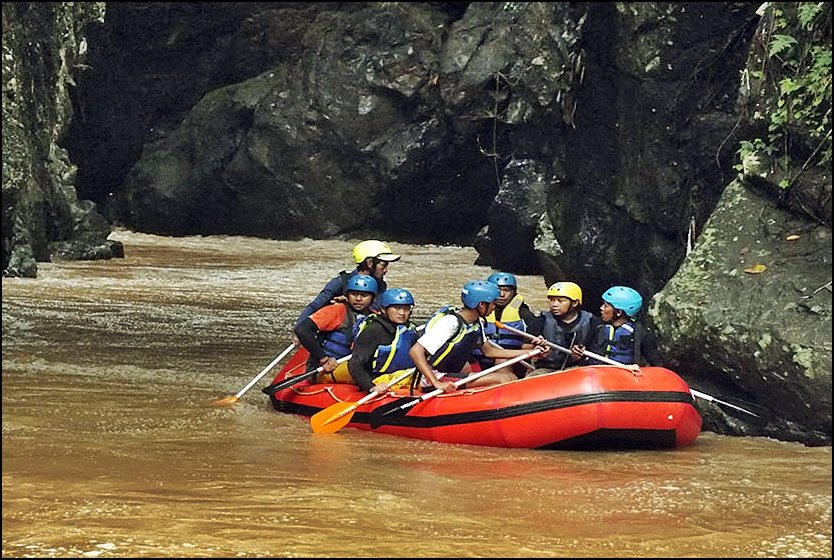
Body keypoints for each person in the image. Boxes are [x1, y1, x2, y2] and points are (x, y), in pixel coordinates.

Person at [409, 280, 550, 393]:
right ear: (482, 305)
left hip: (452, 372)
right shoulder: (450, 322)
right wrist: (437, 383)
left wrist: (532, 352)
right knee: (504, 379)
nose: (495, 306)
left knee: (509, 377)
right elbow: (416, 351)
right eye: (493, 303)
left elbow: (491, 351)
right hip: (436, 377)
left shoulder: (475, 323)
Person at [295, 240, 400, 328]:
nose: (386, 270)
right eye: (383, 265)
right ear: (370, 264)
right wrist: (299, 328)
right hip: (339, 328)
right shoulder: (342, 281)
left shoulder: (381, 285)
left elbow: (374, 310)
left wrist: (349, 302)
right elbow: (315, 305)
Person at [294, 275, 378, 384]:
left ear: (373, 298)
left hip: (356, 367)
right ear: (347, 295)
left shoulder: (375, 317)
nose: (358, 299)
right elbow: (302, 330)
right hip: (327, 369)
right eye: (354, 294)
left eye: (364, 295)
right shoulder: (336, 311)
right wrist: (323, 359)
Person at [348, 288, 420, 395]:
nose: (402, 313)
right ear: (383, 309)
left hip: (403, 376)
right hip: (378, 380)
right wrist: (371, 387)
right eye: (396, 308)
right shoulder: (374, 330)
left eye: (406, 309)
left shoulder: (409, 328)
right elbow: (355, 364)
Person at [571, 285, 663, 367]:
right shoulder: (596, 324)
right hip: (595, 374)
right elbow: (583, 348)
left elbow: (656, 362)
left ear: (619, 312)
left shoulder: (640, 333)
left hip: (623, 378)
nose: (601, 308)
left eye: (606, 306)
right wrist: (577, 353)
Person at [526, 281, 603, 375]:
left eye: (560, 301)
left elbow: (597, 349)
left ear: (575, 303)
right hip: (546, 369)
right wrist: (537, 348)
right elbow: (526, 349)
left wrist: (583, 351)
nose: (554, 304)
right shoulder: (540, 321)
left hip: (577, 368)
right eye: (552, 300)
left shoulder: (592, 322)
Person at [471, 272, 538, 374]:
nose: (502, 295)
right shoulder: (478, 312)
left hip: (512, 362)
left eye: (506, 290)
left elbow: (528, 347)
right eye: (498, 290)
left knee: (502, 360)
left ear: (514, 292)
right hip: (479, 361)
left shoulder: (525, 315)